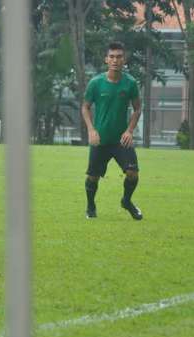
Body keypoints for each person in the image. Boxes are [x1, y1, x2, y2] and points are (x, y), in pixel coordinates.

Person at [82, 41, 142, 220]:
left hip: (120, 140)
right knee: (93, 177)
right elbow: (85, 107)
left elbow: (137, 109)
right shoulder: (95, 83)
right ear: (106, 59)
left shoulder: (130, 83)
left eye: (119, 57)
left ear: (124, 60)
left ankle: (126, 201)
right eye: (112, 57)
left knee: (133, 173)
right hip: (100, 139)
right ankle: (91, 206)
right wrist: (91, 130)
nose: (115, 60)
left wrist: (129, 131)